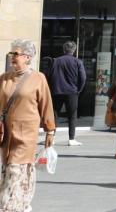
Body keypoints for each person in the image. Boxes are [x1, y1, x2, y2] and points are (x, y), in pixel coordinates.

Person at [0, 39, 56, 212]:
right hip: (6, 134)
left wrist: (50, 131)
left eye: (16, 54)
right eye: (11, 53)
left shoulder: (38, 78)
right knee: (9, 169)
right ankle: (22, 204)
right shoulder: (4, 78)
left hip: (26, 134)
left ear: (28, 57)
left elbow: (46, 105)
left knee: (17, 170)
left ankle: (9, 206)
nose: (12, 57)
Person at [48, 40, 86, 147]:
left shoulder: (56, 61)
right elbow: (83, 78)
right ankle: (71, 139)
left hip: (57, 91)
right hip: (72, 92)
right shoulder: (77, 62)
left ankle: (52, 137)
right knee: (72, 115)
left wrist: (52, 88)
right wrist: (79, 89)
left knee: (54, 114)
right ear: (74, 51)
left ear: (64, 50)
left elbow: (49, 76)